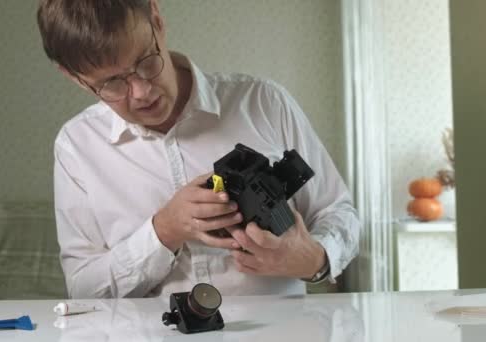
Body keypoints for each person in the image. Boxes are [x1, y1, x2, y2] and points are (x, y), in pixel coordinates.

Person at [37, 0, 359, 298]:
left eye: (146, 61)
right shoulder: (77, 146)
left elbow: (339, 213)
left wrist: (314, 259)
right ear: (75, 78)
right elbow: (84, 288)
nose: (141, 92)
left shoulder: (264, 102)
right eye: (112, 83)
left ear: (157, 19)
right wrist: (164, 231)